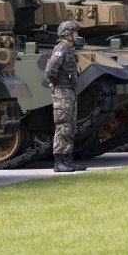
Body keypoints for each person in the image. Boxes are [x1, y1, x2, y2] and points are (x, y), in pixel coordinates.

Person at [44, 21, 87, 173]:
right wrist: (57, 85)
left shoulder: (69, 49)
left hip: (69, 92)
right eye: (75, 32)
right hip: (62, 93)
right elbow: (50, 70)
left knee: (70, 126)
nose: (77, 35)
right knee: (63, 126)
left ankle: (68, 159)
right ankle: (59, 162)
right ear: (67, 34)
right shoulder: (61, 49)